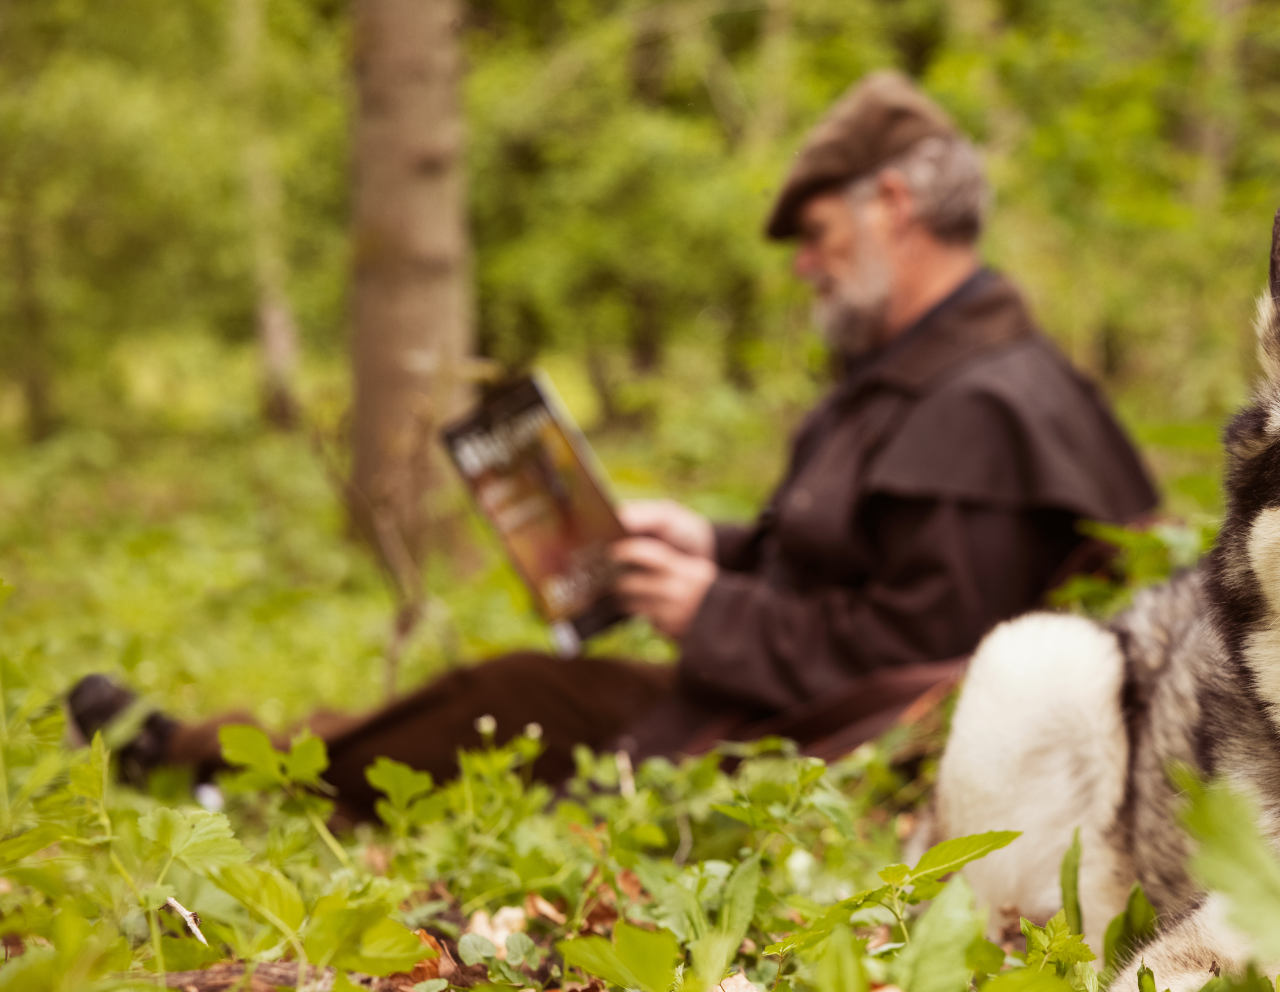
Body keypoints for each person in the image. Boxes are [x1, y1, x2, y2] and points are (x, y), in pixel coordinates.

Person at [66, 71, 1158, 818]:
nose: (802, 267)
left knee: (519, 699)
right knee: (507, 696)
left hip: (818, 750)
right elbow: (853, 556)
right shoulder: (922, 371)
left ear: (891, 204)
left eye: (816, 234)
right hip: (771, 704)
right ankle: (207, 756)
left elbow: (928, 659)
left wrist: (710, 610)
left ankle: (207, 767)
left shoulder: (984, 401)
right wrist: (715, 546)